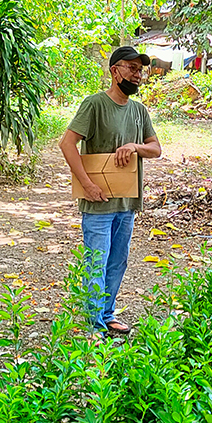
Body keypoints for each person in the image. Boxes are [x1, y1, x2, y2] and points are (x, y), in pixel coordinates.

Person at [60, 46, 162, 334]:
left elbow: (155, 149)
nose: (138, 75)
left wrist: (135, 146)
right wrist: (88, 185)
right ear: (114, 71)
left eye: (140, 70)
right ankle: (94, 325)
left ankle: (107, 313)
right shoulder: (94, 105)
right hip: (98, 204)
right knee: (96, 262)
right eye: (132, 68)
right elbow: (67, 144)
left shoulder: (139, 111)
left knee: (118, 260)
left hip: (127, 203)